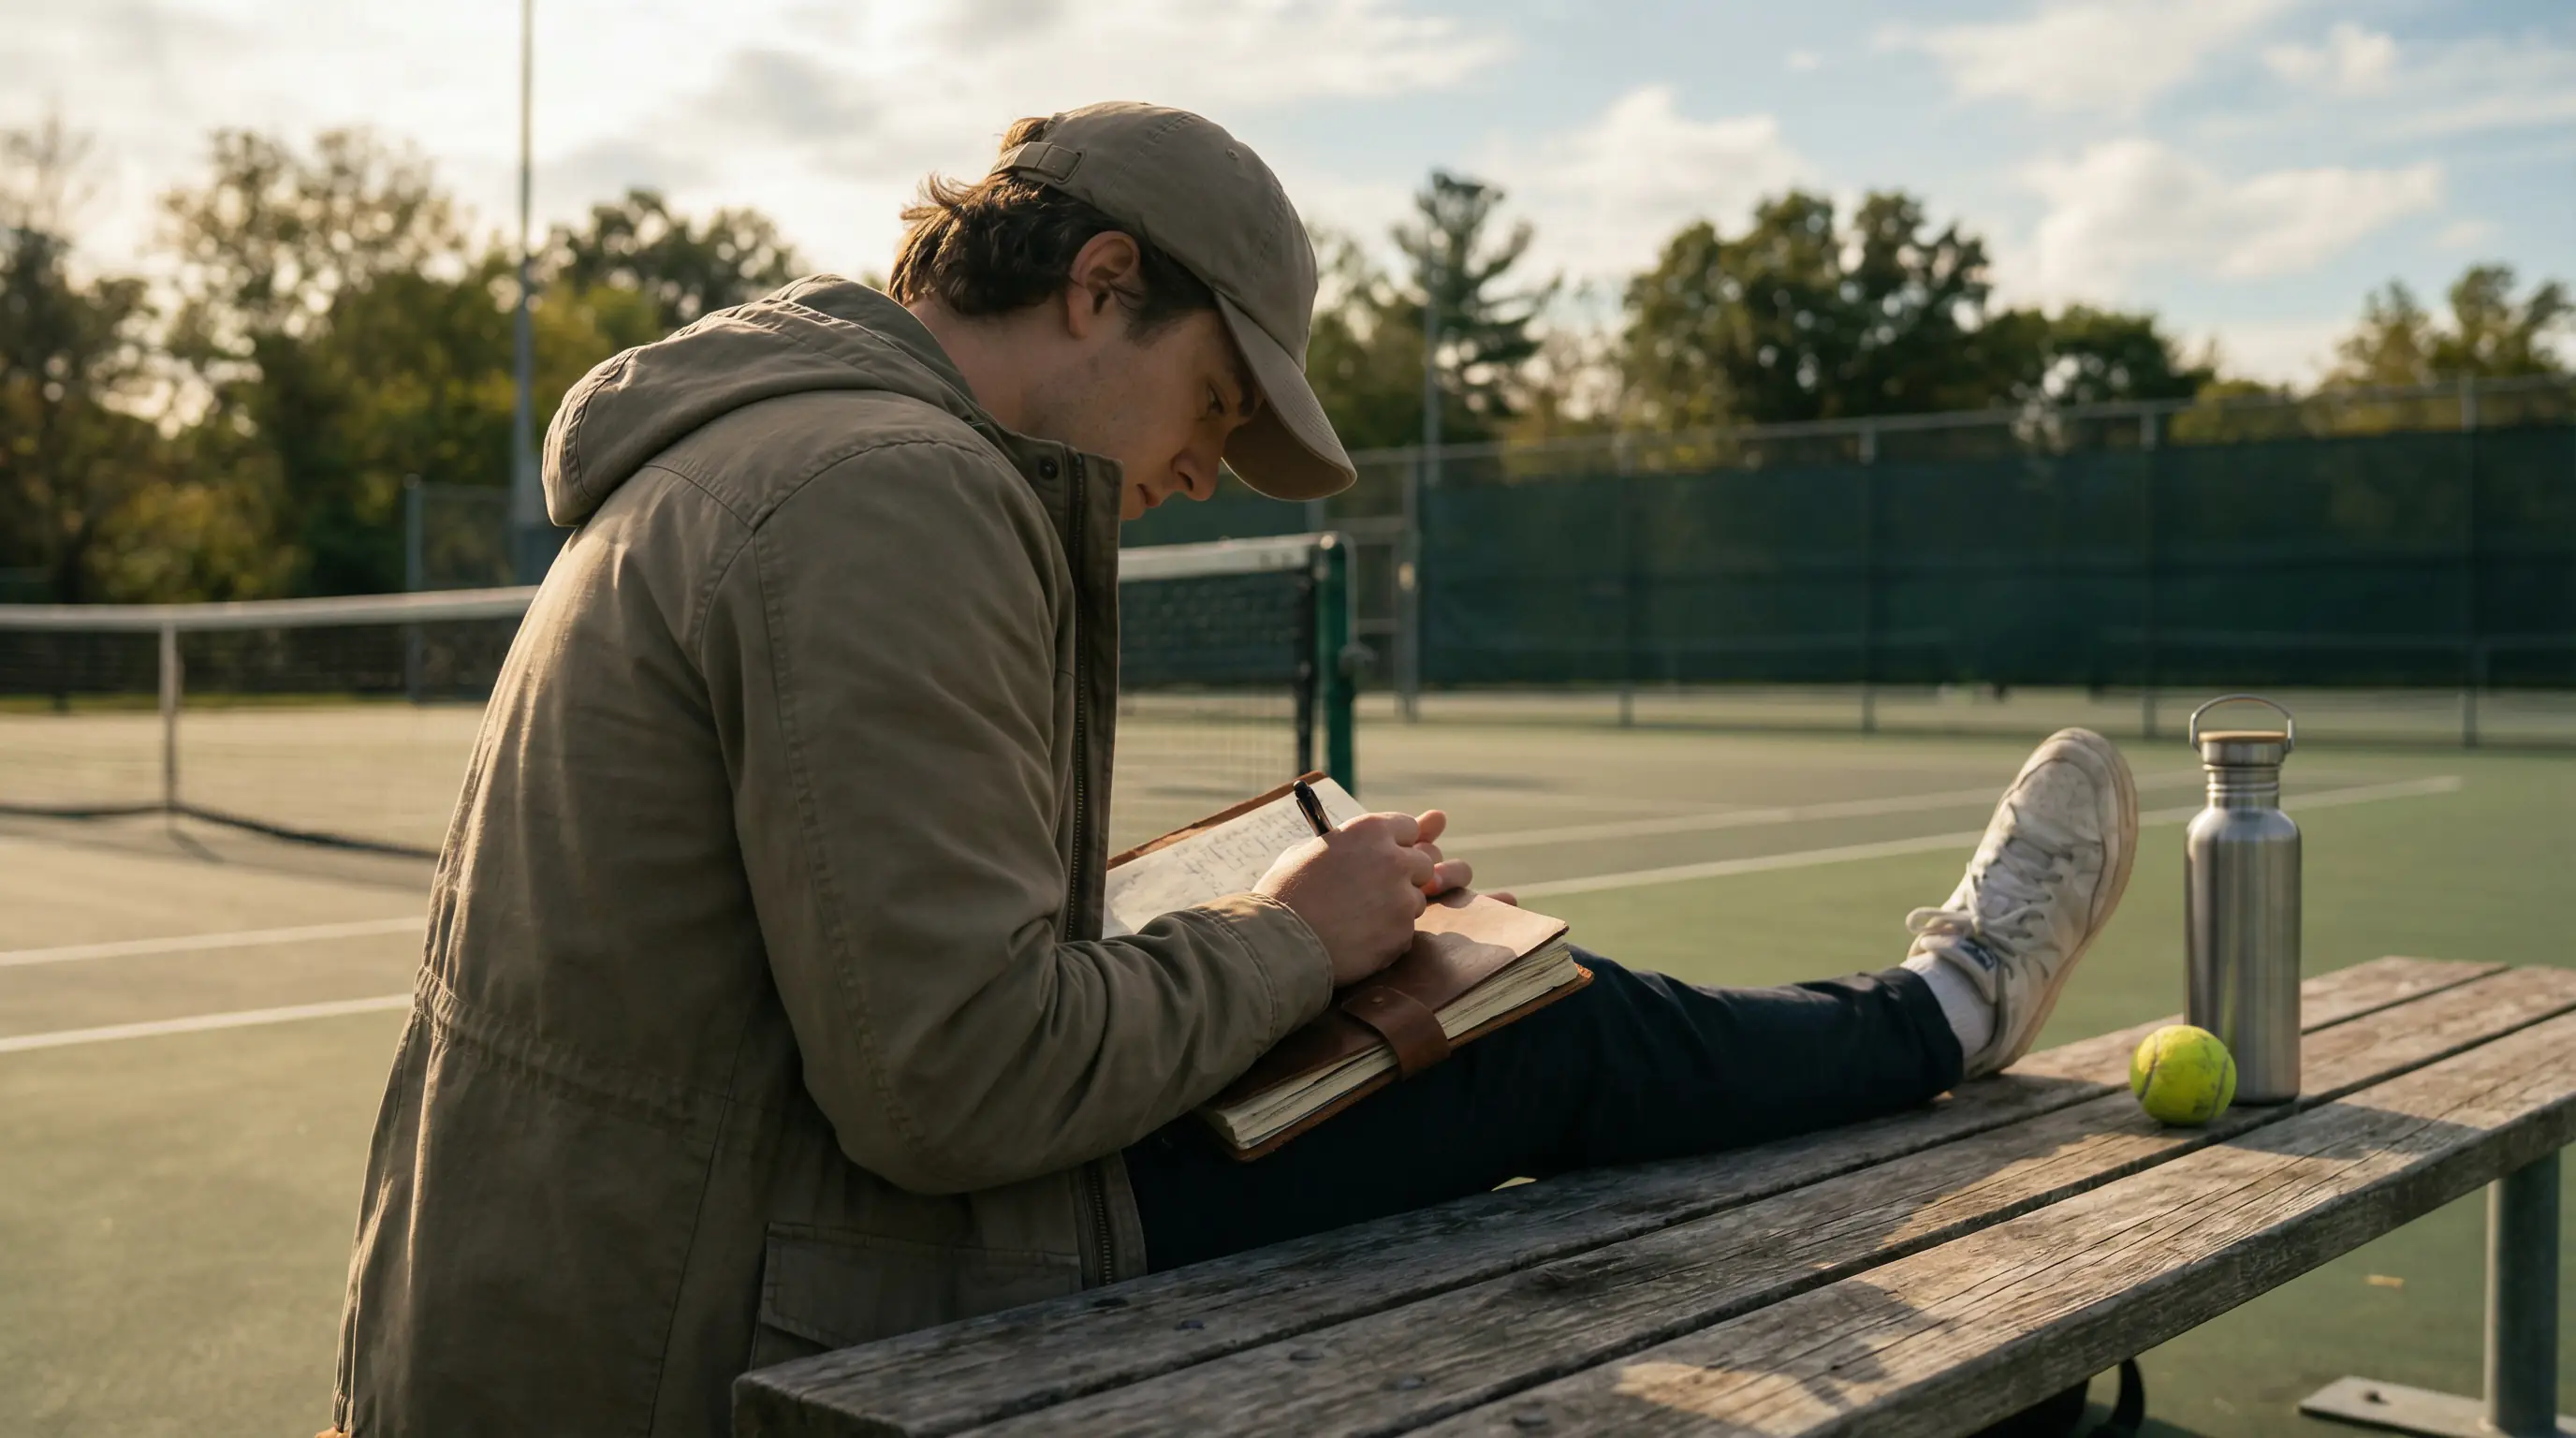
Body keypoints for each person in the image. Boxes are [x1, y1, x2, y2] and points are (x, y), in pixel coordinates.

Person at [324, 103, 2140, 1438]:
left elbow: (877, 992)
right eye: (1217, 406)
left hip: (608, 1290)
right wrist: (1293, 937)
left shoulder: (758, 453)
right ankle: (1944, 1009)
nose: (1206, 468)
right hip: (746, 1325)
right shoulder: (891, 498)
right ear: (1101, 288)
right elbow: (952, 1089)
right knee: (1533, 1024)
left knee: (1439, 1011)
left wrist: (1237, 933)